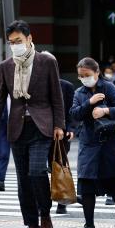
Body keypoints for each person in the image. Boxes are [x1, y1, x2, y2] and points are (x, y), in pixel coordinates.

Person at [0, 20, 65, 228]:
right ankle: (31, 223)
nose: (15, 45)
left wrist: (60, 125)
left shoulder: (47, 62)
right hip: (17, 127)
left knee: (36, 171)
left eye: (18, 41)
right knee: (23, 179)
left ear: (30, 39)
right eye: (11, 42)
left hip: (42, 127)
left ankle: (45, 214)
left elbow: (56, 96)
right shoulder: (6, 66)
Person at [70, 57, 115, 228]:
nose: (84, 78)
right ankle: (89, 224)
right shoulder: (79, 93)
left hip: (110, 141)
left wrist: (106, 110)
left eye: (87, 75)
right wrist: (89, 104)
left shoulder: (109, 87)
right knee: (87, 182)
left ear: (97, 73)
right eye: (81, 76)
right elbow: (74, 114)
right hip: (89, 141)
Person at [41, 51, 77, 215]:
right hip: (40, 133)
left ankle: (62, 200)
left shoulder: (66, 86)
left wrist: (69, 128)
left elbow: (70, 110)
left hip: (60, 134)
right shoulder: (35, 84)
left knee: (58, 167)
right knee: (40, 169)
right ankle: (44, 200)